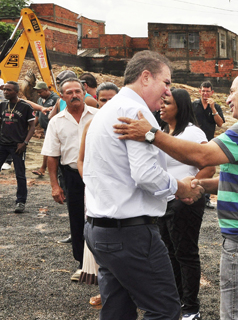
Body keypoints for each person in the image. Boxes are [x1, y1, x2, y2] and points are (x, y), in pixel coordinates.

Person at [114, 70, 238, 320]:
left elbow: (202, 156)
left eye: (231, 92)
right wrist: (200, 187)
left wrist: (151, 134)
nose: (227, 100)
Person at [83, 50, 204, 320]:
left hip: (100, 229)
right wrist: (181, 188)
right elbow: (146, 174)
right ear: (146, 77)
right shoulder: (136, 112)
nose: (167, 92)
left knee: (117, 310)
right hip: (130, 235)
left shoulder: (107, 110)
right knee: (165, 310)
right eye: (167, 82)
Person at [157, 88, 216, 320]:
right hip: (164, 200)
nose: (161, 106)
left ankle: (191, 308)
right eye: (161, 102)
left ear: (179, 107)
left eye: (167, 103)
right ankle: (178, 300)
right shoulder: (162, 131)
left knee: (186, 253)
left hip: (185, 202)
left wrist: (192, 188)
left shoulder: (192, 133)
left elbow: (210, 165)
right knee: (169, 253)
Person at [41, 78, 99, 282]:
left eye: (77, 91)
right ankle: (82, 264)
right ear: (63, 97)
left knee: (100, 216)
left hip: (97, 173)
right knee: (76, 218)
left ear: (84, 92)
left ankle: (102, 264)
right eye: (69, 92)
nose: (74, 95)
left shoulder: (98, 116)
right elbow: (52, 155)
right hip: (72, 175)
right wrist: (55, 186)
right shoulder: (56, 122)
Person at [76, 82, 120, 308]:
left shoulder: (128, 126)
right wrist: (91, 182)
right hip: (95, 194)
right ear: (97, 100)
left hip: (121, 198)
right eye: (103, 100)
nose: (107, 104)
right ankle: (106, 293)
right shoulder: (91, 125)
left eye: (112, 99)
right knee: (100, 247)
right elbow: (81, 160)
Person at [0, 81, 36, 213]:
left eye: (8, 90)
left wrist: (25, 143)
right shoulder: (3, 105)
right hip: (2, 144)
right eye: (4, 90)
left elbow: (32, 126)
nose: (5, 92)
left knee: (20, 174)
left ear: (16, 91)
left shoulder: (25, 107)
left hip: (17, 146)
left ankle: (20, 201)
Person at [192, 81, 225, 209]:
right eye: (203, 91)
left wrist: (213, 108)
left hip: (210, 143)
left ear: (212, 93)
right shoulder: (194, 105)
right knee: (195, 168)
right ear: (200, 91)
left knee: (209, 170)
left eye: (208, 91)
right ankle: (194, 193)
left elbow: (221, 123)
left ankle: (205, 199)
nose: (205, 93)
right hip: (195, 142)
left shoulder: (216, 106)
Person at [32, 82, 59, 177]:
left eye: (40, 92)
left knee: (48, 149)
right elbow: (37, 115)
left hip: (53, 128)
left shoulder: (56, 99)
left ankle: (43, 169)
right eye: (37, 92)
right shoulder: (40, 100)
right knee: (49, 149)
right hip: (45, 128)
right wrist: (32, 129)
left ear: (47, 90)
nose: (39, 94)